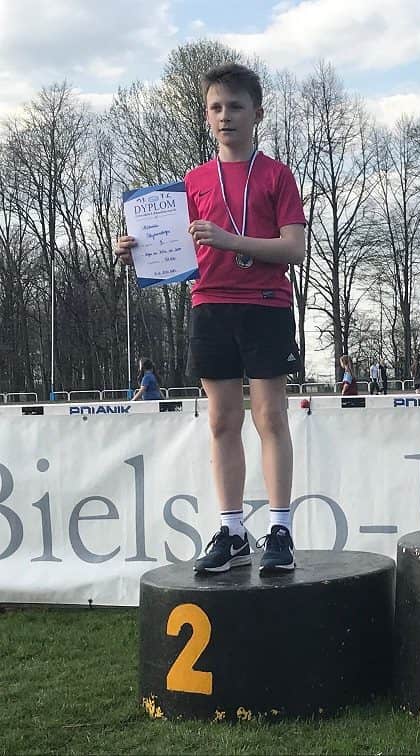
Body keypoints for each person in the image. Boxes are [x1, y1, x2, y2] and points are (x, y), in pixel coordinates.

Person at [116, 64, 306, 574]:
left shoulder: (277, 175)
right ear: (206, 117)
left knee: (270, 416)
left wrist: (229, 240)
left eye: (236, 106)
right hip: (210, 305)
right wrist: (137, 253)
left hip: (265, 303)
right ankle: (233, 531)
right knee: (222, 420)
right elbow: (177, 251)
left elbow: (293, 248)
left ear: (257, 113)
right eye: (216, 108)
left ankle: (281, 529)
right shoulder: (192, 182)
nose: (226, 116)